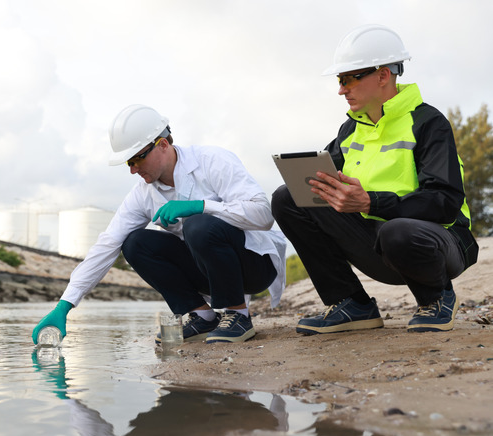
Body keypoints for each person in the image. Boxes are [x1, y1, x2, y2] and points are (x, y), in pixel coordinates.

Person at [271, 24, 479, 335]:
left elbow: (445, 203)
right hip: (379, 244)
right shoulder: (350, 131)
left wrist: (372, 201)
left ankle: (436, 298)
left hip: (436, 244)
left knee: (397, 230)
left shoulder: (428, 123)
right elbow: (326, 185)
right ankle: (351, 304)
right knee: (288, 197)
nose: (341, 89)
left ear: (383, 76)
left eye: (348, 78)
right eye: (340, 81)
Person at [32, 104, 286, 345]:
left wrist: (202, 206)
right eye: (128, 163)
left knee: (198, 225)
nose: (133, 170)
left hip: (254, 265)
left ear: (162, 144)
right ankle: (204, 318)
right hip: (208, 271)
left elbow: (263, 215)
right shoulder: (142, 194)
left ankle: (238, 316)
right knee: (134, 243)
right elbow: (108, 243)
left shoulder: (213, 160)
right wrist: (64, 306)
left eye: (136, 159)